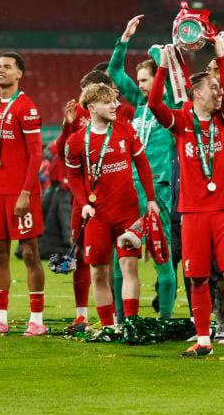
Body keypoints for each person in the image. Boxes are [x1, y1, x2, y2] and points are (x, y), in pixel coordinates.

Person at [148, 32, 224, 357]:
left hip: (223, 212)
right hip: (192, 214)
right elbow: (153, 104)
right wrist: (163, 68)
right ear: (196, 94)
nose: (220, 93)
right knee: (196, 279)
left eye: (220, 88)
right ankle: (204, 340)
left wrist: (221, 57)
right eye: (213, 89)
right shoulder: (181, 122)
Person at [66, 83, 159, 338]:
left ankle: (129, 325)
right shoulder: (76, 142)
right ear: (92, 107)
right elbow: (72, 176)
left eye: (114, 101)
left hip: (127, 213)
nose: (114, 105)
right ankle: (108, 327)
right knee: (98, 270)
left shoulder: (125, 131)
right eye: (108, 102)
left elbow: (142, 163)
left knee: (129, 267)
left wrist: (150, 200)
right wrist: (84, 202)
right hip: (96, 216)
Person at [108, 15, 178, 320]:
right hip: (127, 190)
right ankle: (123, 321)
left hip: (158, 190)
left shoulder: (173, 107)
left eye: (145, 81)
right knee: (121, 257)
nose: (140, 86)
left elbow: (176, 80)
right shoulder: (137, 104)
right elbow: (113, 71)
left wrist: (159, 59)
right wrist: (125, 38)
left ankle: (164, 321)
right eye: (139, 83)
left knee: (163, 258)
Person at [0, 52, 47, 336]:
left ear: (19, 74)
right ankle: (1, 320)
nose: (0, 70)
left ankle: (37, 321)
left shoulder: (27, 107)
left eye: (7, 67)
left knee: (30, 253)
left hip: (21, 192)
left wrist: (25, 193)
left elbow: (36, 153)